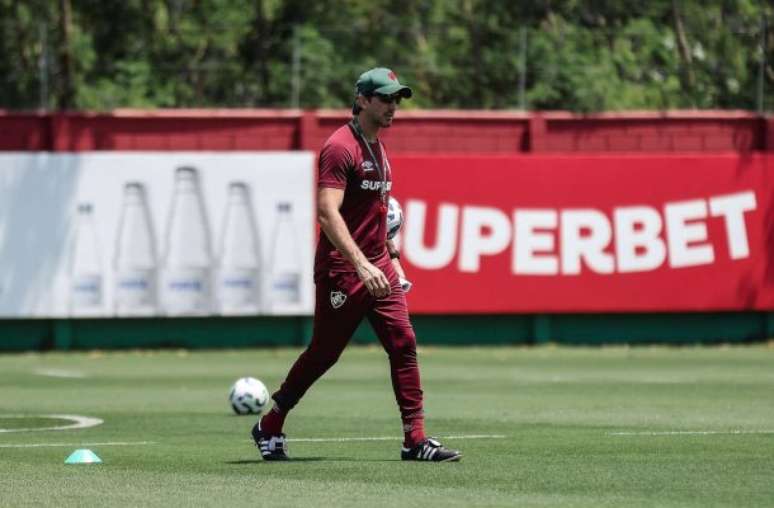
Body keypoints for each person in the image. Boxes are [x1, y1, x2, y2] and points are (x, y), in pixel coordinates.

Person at [252, 67, 462, 462]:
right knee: (323, 353)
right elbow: (327, 213)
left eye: (396, 99)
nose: (392, 107)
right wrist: (361, 264)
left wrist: (393, 259)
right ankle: (270, 423)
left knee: (404, 343)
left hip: (378, 266)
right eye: (384, 98)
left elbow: (377, 216)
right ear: (362, 99)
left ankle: (414, 440)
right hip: (343, 269)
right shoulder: (339, 146)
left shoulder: (379, 148)